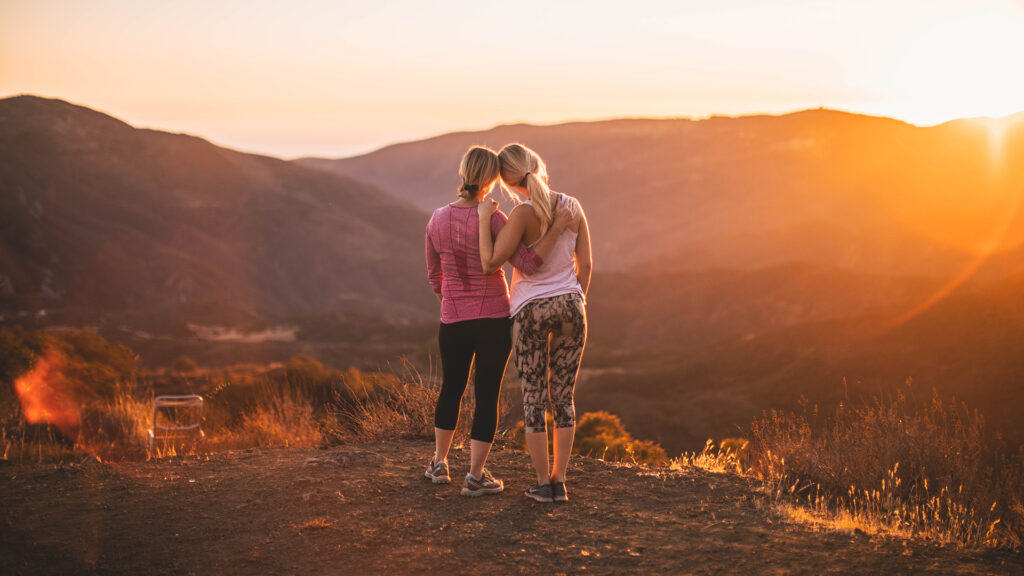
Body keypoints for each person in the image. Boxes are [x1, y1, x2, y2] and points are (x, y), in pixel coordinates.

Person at [424, 145, 572, 496]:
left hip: (453, 319)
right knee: (486, 394)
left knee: (451, 388)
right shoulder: (495, 219)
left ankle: (439, 463)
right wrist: (555, 234)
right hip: (493, 319)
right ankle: (475, 476)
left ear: (462, 174)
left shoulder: (437, 219)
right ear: (492, 181)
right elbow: (528, 263)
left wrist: (451, 300)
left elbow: (434, 275)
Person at [477, 143, 592, 503]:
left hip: (530, 312)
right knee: (564, 396)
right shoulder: (572, 206)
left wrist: (484, 220)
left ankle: (543, 482)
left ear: (509, 183)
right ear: (538, 165)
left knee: (534, 397)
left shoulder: (522, 216)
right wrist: (576, 299)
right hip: (572, 306)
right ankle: (561, 480)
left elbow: (500, 260)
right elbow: (585, 265)